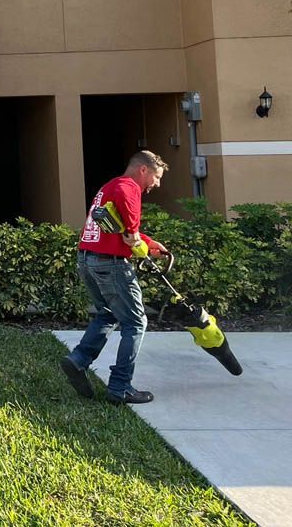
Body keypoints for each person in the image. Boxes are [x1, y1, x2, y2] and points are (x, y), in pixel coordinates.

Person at [61, 150, 170, 404]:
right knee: (135, 322)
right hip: (110, 264)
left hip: (87, 258)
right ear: (143, 170)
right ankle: (120, 387)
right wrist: (133, 233)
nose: (157, 183)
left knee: (108, 313)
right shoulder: (127, 187)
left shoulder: (109, 186)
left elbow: (116, 228)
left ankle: (78, 361)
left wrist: (149, 242)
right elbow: (128, 231)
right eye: (156, 177)